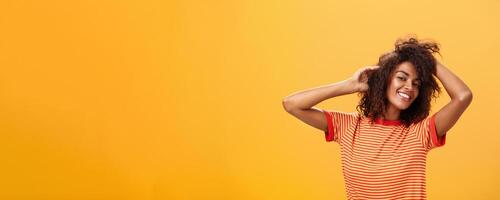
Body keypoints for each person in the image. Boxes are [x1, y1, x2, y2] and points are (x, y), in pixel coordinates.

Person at [282, 37, 472, 200]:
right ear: (384, 79)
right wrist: (348, 85)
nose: (409, 87)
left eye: (416, 83)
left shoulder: (420, 133)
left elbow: (463, 96)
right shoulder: (349, 126)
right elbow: (291, 104)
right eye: (402, 78)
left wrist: (426, 59)